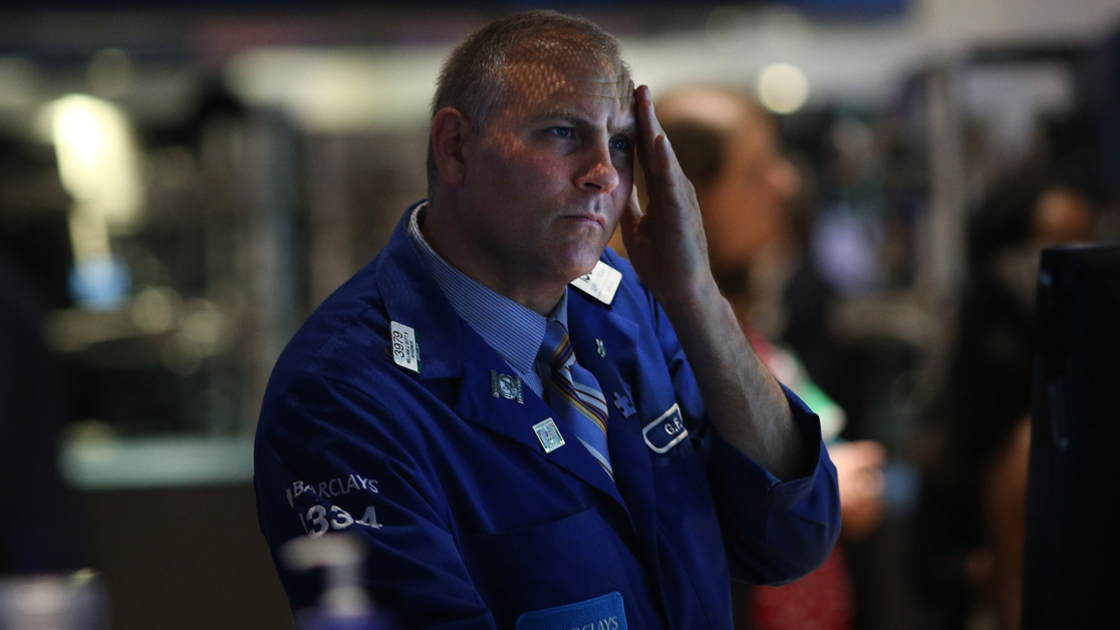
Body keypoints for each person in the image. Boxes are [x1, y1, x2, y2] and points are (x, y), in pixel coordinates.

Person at [254, 11, 840, 629]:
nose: (605, 173)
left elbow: (791, 537)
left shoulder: (633, 306)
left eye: (619, 143)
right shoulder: (338, 394)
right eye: (563, 133)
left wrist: (697, 299)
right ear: (455, 147)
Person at [652, 87, 886, 630]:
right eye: (756, 171)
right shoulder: (661, 343)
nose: (786, 183)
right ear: (684, 194)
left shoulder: (738, 323)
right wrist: (827, 486)